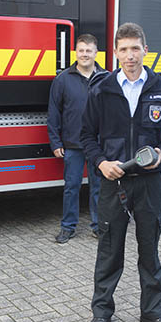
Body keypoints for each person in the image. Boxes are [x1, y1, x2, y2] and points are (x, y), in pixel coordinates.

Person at [81, 22, 161, 322]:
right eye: (123, 49)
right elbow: (86, 136)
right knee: (109, 250)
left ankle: (152, 312)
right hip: (114, 183)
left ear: (145, 50)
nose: (130, 55)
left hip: (150, 182)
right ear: (115, 53)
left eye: (135, 48)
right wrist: (100, 162)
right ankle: (101, 312)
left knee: (149, 249)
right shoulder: (102, 88)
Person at [47, 34, 105, 243]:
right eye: (81, 50)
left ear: (96, 53)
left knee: (99, 186)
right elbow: (54, 113)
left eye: (89, 51)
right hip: (72, 144)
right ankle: (67, 227)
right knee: (71, 187)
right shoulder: (62, 79)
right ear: (75, 52)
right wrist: (55, 142)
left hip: (98, 145)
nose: (85, 54)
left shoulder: (106, 78)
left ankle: (99, 226)